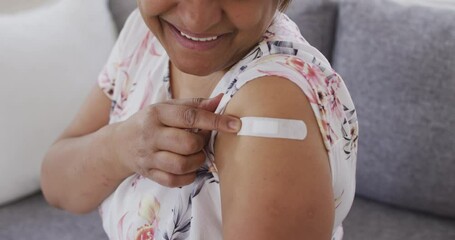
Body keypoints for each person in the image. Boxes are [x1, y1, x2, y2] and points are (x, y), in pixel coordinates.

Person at [41, 0, 358, 239]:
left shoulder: (272, 101)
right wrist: (121, 146)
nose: (196, 18)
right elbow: (56, 184)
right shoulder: (146, 33)